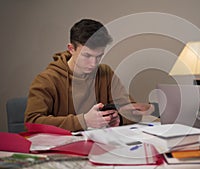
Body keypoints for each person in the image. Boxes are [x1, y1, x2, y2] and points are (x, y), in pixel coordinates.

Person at [25, 19, 153, 132]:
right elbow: (31, 122)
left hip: (102, 144)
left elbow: (131, 110)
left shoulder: (105, 73)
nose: (93, 64)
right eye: (87, 56)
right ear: (71, 49)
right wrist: (83, 121)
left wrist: (118, 118)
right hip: (64, 151)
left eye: (99, 56)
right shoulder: (46, 80)